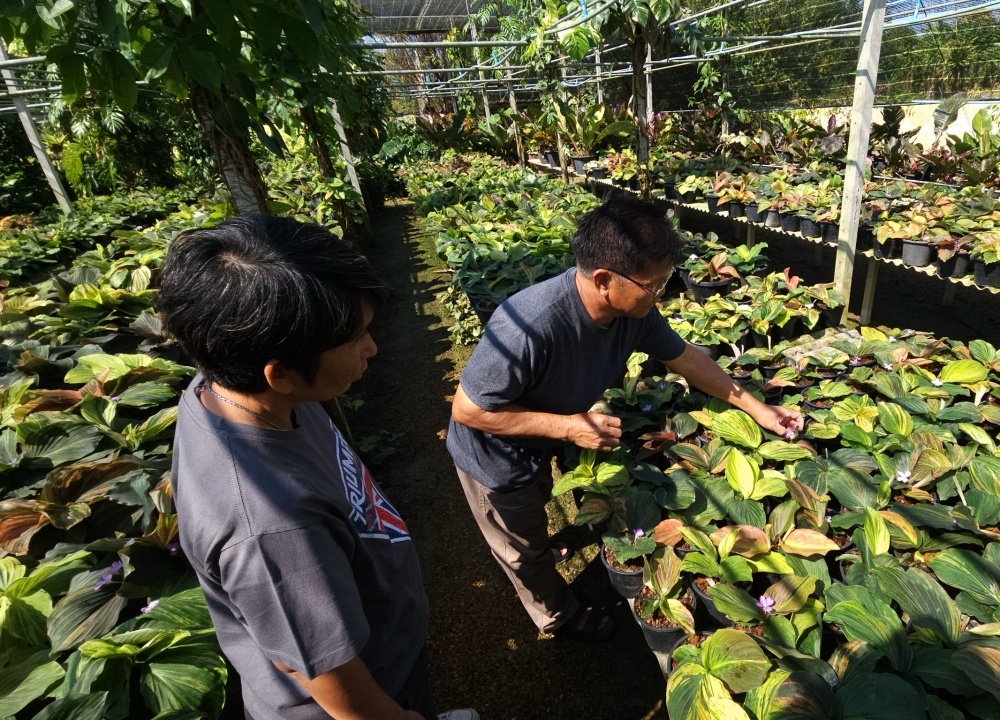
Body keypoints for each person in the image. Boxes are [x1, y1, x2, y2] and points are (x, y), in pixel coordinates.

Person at [159, 215, 476, 720]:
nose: (371, 348)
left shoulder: (226, 383)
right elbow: (333, 682)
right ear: (279, 372)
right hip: (371, 689)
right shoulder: (270, 526)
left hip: (379, 640)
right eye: (356, 339)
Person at [447, 193, 804, 642]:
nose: (661, 293)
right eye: (653, 284)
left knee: (537, 504)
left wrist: (758, 407)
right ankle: (557, 614)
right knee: (520, 545)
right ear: (603, 279)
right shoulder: (527, 325)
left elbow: (687, 359)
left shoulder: (633, 312)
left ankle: (542, 538)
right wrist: (569, 427)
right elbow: (469, 409)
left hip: (542, 436)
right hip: (493, 452)